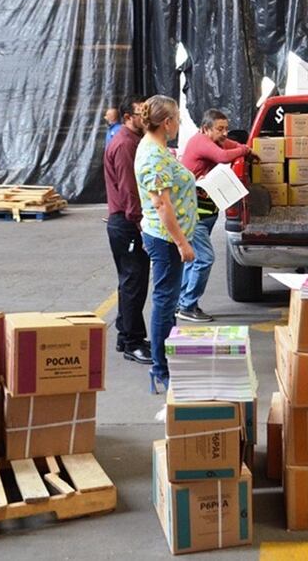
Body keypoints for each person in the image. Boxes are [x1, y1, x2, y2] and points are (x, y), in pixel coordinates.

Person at [135, 95, 197, 394]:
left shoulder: (157, 149)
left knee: (168, 300)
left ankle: (166, 362)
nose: (179, 123)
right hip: (165, 239)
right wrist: (182, 243)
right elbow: (161, 204)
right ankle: (160, 368)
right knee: (164, 301)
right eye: (178, 118)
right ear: (167, 122)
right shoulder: (153, 155)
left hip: (165, 236)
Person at [178, 109, 252, 322]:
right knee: (204, 259)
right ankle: (188, 305)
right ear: (205, 128)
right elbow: (223, 156)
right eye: (220, 129)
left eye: (226, 128)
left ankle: (182, 302)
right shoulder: (200, 141)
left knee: (193, 260)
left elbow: (233, 147)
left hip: (206, 211)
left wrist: (245, 149)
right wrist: (244, 151)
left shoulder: (217, 141)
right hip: (194, 214)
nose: (225, 133)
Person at [104, 100, 152, 365]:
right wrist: (140, 224)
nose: (146, 119)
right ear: (127, 117)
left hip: (125, 222)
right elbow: (129, 189)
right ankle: (132, 343)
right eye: (141, 114)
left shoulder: (133, 140)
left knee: (129, 282)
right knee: (133, 283)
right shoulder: (124, 145)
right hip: (126, 223)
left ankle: (127, 335)